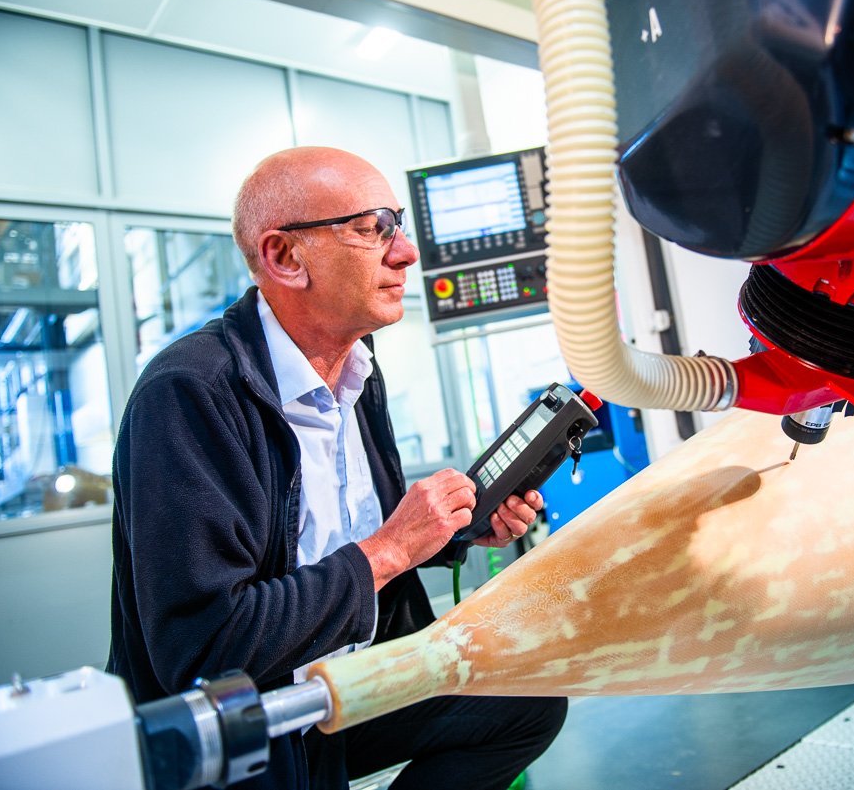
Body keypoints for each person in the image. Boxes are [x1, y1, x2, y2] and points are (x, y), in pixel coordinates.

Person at [107, 146, 568, 790]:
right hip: (255, 723)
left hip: (344, 680)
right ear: (285, 257)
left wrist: (452, 530)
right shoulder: (190, 394)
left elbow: (339, 534)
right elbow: (205, 649)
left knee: (525, 702)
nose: (405, 253)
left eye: (398, 225)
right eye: (372, 228)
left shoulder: (356, 369)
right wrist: (391, 549)